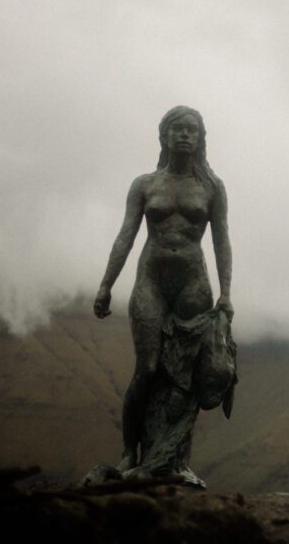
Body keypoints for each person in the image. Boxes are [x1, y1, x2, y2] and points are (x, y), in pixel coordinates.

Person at [93, 105, 234, 474]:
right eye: (178, 129)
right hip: (151, 280)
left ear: (201, 138)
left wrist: (226, 293)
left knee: (183, 377)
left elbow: (221, 241)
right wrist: (106, 284)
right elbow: (126, 235)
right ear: (165, 136)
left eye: (193, 130)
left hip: (193, 283)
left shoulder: (212, 187)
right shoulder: (145, 185)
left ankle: (175, 460)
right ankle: (129, 450)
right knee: (148, 368)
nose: (186, 135)